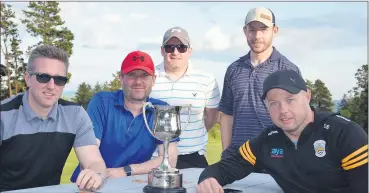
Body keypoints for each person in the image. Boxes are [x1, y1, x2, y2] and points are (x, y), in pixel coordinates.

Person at [196, 70, 368, 193]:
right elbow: (225, 168)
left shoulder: (344, 134)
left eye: (290, 99)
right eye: (274, 103)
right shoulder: (266, 141)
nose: (283, 110)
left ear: (307, 96)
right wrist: (208, 180)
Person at [0, 45, 109, 192]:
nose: (52, 86)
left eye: (59, 79)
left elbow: (94, 161)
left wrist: (96, 174)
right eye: (43, 77)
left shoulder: (75, 115)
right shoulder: (3, 115)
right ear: (28, 79)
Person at [70, 50, 179, 182]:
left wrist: (126, 171)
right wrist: (101, 173)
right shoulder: (102, 102)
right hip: (92, 183)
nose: (138, 81)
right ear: (121, 78)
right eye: (132, 75)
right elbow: (90, 150)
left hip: (131, 183)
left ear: (153, 79)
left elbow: (169, 160)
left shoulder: (162, 109)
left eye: (144, 75)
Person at [219, 7, 301, 159]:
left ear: (274, 30)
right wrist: (226, 153)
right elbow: (227, 115)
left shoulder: (288, 70)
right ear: (245, 31)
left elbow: (298, 118)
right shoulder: (233, 69)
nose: (257, 36)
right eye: (252, 30)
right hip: (238, 158)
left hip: (276, 158)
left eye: (263, 29)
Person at [150, 26, 221, 169]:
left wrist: (192, 136)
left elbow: (212, 116)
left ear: (189, 50)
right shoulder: (148, 77)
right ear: (162, 50)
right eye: (170, 47)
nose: (175, 52)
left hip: (193, 157)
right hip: (153, 158)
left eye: (181, 47)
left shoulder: (207, 79)